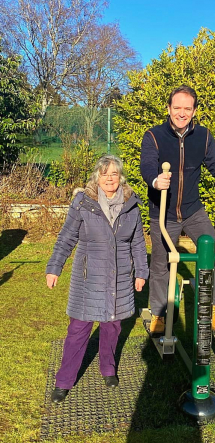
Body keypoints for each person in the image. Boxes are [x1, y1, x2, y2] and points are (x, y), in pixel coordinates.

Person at [140, 85, 215, 335]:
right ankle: (159, 313)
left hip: (193, 210)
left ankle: (213, 307)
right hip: (163, 212)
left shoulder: (203, 136)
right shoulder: (154, 136)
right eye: (177, 108)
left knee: (214, 252)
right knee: (161, 263)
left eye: (187, 109)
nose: (182, 113)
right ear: (169, 108)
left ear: (194, 111)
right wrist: (155, 181)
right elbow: (147, 166)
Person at [46, 154, 149, 404]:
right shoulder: (83, 202)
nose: (110, 178)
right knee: (79, 329)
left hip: (120, 277)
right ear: (97, 177)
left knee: (112, 326)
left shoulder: (131, 205)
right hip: (87, 276)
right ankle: (63, 381)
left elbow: (137, 242)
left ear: (121, 177)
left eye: (114, 174)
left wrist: (141, 272)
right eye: (105, 174)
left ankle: (108, 368)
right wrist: (54, 267)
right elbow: (66, 237)